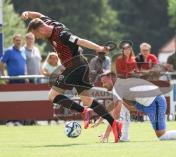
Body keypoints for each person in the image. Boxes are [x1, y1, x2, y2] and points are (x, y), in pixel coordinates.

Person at [21, 11, 122, 142]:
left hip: (75, 66)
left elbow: (80, 41)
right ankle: (114, 123)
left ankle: (83, 111)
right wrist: (28, 13)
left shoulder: (62, 34)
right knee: (87, 100)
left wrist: (99, 48)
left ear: (40, 28)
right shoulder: (48, 22)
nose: (38, 37)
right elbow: (39, 16)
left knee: (52, 96)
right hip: (80, 65)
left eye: (37, 34)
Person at [96, 72, 176, 142]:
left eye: (104, 82)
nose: (103, 85)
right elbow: (114, 105)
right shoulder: (118, 85)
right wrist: (102, 117)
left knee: (162, 136)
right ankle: (124, 137)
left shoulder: (118, 87)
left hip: (155, 101)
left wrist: (106, 134)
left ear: (111, 79)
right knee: (122, 108)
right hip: (145, 103)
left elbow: (115, 114)